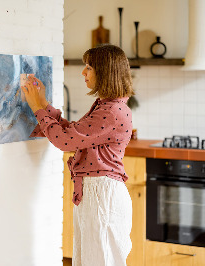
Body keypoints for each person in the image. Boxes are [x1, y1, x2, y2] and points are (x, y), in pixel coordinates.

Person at [22, 44, 134, 266]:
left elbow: (65, 141)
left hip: (102, 195)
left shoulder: (111, 111)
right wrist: (43, 104)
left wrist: (37, 108)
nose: (83, 72)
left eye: (89, 67)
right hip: (97, 193)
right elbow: (73, 133)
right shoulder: (107, 106)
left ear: (105, 72)